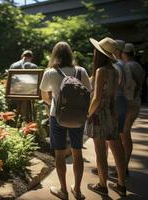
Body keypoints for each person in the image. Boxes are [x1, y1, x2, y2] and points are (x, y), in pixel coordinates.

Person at [40, 42, 91, 200]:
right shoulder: (81, 71)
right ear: (71, 54)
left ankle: (63, 191)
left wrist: (54, 104)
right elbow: (88, 92)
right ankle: (78, 190)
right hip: (77, 116)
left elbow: (44, 95)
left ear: (54, 55)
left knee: (59, 154)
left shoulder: (50, 72)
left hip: (57, 116)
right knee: (77, 153)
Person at [86, 37, 126, 197]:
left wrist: (88, 114)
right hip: (112, 111)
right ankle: (122, 185)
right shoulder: (115, 71)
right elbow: (113, 95)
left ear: (100, 53)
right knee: (117, 149)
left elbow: (96, 97)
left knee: (101, 151)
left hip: (99, 113)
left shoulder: (100, 71)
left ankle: (102, 185)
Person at [121, 43, 145, 175]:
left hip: (128, 103)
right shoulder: (139, 67)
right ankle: (124, 165)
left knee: (124, 135)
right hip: (136, 102)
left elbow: (128, 87)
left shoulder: (127, 66)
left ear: (124, 53)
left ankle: (123, 167)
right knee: (126, 133)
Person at [9, 50, 37, 122]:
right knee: (28, 114)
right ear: (31, 58)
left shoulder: (13, 65)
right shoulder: (33, 66)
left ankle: (14, 124)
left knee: (15, 112)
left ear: (22, 56)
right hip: (29, 94)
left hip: (15, 93)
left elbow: (11, 80)